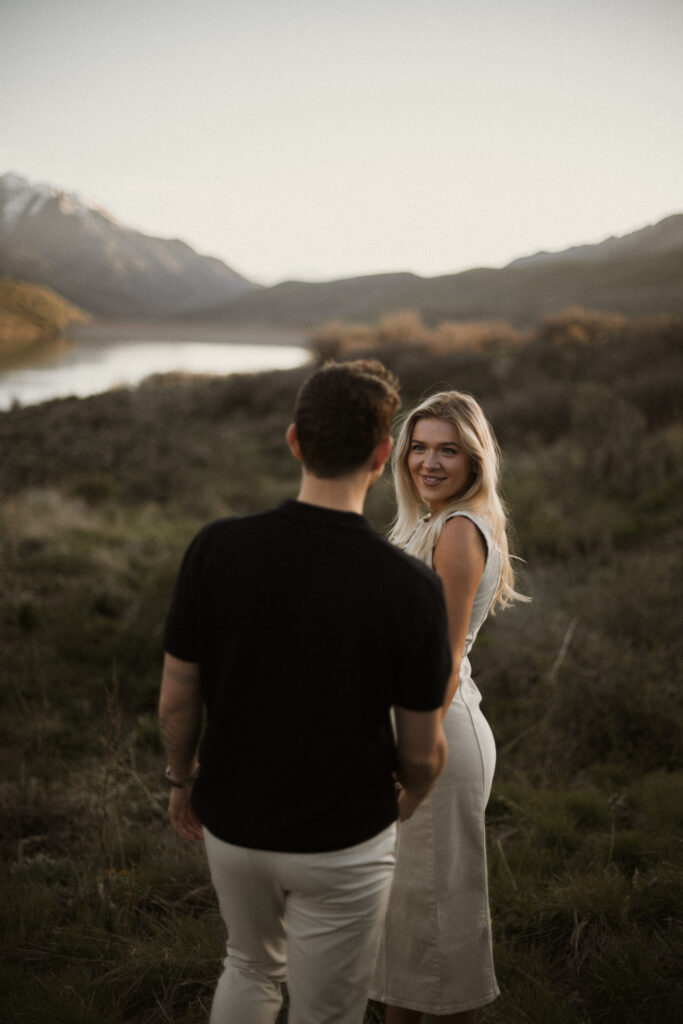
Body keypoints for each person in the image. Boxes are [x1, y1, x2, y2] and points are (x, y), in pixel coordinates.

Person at [158, 359, 451, 1024]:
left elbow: (176, 701)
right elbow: (422, 748)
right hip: (344, 840)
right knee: (329, 1011)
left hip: (232, 824)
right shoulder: (409, 588)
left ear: (294, 441)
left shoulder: (215, 549)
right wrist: (410, 794)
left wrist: (182, 780)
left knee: (248, 966)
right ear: (383, 455)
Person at [369, 390, 529, 1023]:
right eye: (419, 447)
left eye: (448, 450)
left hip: (436, 737)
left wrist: (412, 757)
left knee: (433, 945)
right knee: (414, 941)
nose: (428, 463)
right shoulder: (430, 523)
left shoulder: (459, 531)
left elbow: (439, 662)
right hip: (419, 727)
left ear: (474, 459)